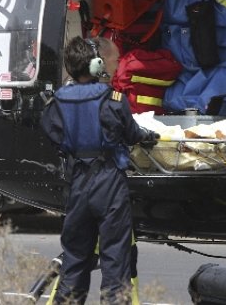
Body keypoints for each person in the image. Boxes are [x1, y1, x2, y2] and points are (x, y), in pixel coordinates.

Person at [41, 36, 159, 304]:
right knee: (115, 260)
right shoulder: (112, 98)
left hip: (77, 182)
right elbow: (131, 133)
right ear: (96, 65)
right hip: (109, 182)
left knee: (74, 260)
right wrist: (145, 136)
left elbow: (52, 134)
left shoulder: (57, 102)